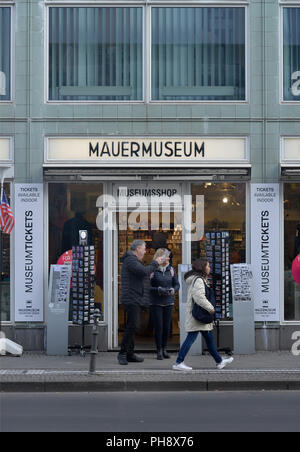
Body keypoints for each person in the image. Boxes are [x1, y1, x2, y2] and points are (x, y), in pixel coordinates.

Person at [172, 259, 234, 371]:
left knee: (209, 339)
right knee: (191, 338)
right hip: (198, 316)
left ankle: (219, 361)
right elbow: (199, 297)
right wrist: (211, 308)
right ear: (202, 268)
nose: (209, 268)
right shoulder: (199, 280)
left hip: (200, 316)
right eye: (208, 266)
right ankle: (178, 362)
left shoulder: (200, 279)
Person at [118, 240, 165, 366]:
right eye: (144, 248)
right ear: (137, 248)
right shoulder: (131, 260)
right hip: (131, 298)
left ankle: (129, 353)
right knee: (133, 325)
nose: (145, 251)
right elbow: (144, 272)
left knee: (132, 326)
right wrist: (156, 263)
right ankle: (122, 353)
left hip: (135, 297)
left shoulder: (133, 260)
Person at [150, 248, 180, 360]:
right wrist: (157, 289)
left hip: (168, 302)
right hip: (156, 302)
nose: (168, 258)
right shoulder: (152, 270)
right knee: (159, 327)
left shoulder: (171, 269)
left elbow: (177, 284)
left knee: (167, 327)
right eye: (167, 256)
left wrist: (173, 289)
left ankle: (164, 349)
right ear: (160, 257)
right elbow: (147, 286)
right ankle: (158, 350)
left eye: (168, 256)